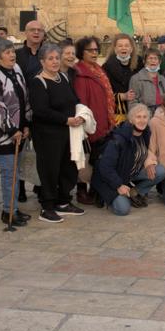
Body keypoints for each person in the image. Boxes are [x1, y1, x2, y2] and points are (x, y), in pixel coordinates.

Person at [28, 43, 86, 224]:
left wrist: (81, 114)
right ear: (42, 61)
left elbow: (74, 99)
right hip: (47, 135)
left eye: (56, 58)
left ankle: (63, 201)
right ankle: (47, 206)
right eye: (50, 59)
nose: (54, 62)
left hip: (68, 132)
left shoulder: (63, 77)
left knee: (67, 167)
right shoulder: (38, 82)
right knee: (49, 170)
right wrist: (65, 120)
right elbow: (41, 111)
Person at [0, 39, 31, 228]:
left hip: (18, 130)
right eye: (7, 52)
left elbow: (23, 97)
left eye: (12, 51)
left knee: (15, 171)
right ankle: (8, 212)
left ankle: (14, 207)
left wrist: (25, 124)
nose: (12, 55)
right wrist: (11, 129)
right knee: (9, 171)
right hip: (0, 134)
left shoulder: (16, 69)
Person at [94, 104, 165, 215]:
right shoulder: (119, 139)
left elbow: (146, 151)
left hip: (129, 173)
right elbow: (105, 167)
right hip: (112, 178)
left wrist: (149, 163)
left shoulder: (146, 133)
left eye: (144, 117)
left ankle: (134, 192)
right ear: (131, 120)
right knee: (123, 210)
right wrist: (118, 185)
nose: (142, 120)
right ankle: (106, 196)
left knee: (160, 171)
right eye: (138, 117)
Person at [71, 36, 116, 207]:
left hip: (104, 120)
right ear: (82, 52)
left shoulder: (97, 69)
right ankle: (82, 189)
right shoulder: (80, 73)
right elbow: (81, 103)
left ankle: (95, 190)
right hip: (91, 122)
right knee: (87, 159)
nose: (94, 53)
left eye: (96, 50)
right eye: (90, 50)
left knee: (97, 158)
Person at [103, 33, 139, 107]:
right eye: (120, 46)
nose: (123, 48)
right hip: (117, 110)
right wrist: (122, 96)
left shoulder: (139, 64)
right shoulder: (106, 67)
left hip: (135, 107)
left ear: (131, 49)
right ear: (115, 49)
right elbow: (103, 93)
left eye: (126, 45)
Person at [129, 48, 165, 114]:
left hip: (161, 115)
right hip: (144, 116)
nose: (153, 61)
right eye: (150, 58)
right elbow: (132, 103)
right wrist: (146, 113)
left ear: (160, 62)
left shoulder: (162, 78)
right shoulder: (136, 78)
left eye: (155, 58)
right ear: (144, 61)